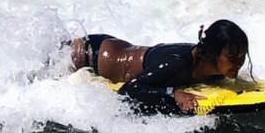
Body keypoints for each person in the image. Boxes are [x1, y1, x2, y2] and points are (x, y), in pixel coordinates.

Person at [68, 20, 251, 114]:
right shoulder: (177, 62)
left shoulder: (214, 70)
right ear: (212, 53)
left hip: (118, 47)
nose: (238, 63)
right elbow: (129, 89)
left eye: (242, 57)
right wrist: (173, 94)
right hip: (90, 55)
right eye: (232, 58)